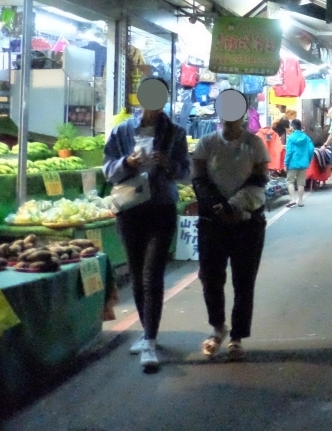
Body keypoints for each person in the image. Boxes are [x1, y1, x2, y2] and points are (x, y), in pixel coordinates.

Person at [104, 78, 190, 373]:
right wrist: (127, 163)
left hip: (161, 209)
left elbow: (185, 173)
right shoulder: (122, 131)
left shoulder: (175, 133)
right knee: (138, 273)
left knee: (153, 274)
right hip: (129, 211)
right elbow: (107, 170)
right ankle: (146, 331)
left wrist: (167, 163)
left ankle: (150, 342)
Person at [192, 90, 271, 361]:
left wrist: (233, 206)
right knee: (210, 278)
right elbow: (199, 179)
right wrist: (218, 206)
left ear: (243, 113)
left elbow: (260, 180)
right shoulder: (207, 143)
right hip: (212, 222)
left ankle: (237, 337)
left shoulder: (254, 144)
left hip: (247, 221)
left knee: (244, 280)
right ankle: (218, 327)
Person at [284, 119, 313, 207]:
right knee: (301, 183)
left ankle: (293, 199)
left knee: (290, 181)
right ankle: (300, 201)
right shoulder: (306, 137)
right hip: (303, 163)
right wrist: (308, 160)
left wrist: (286, 163)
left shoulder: (290, 138)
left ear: (292, 127)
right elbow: (311, 149)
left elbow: (289, 152)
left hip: (292, 163)